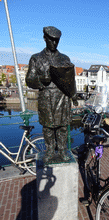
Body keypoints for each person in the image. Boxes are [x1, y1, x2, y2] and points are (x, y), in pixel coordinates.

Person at [26, 26, 77, 164]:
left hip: (62, 97)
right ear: (45, 38)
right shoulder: (36, 58)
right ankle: (49, 150)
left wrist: (74, 94)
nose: (54, 43)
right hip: (46, 98)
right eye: (52, 40)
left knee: (62, 127)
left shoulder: (64, 58)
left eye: (57, 41)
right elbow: (29, 80)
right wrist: (41, 80)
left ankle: (61, 150)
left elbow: (71, 79)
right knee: (48, 127)